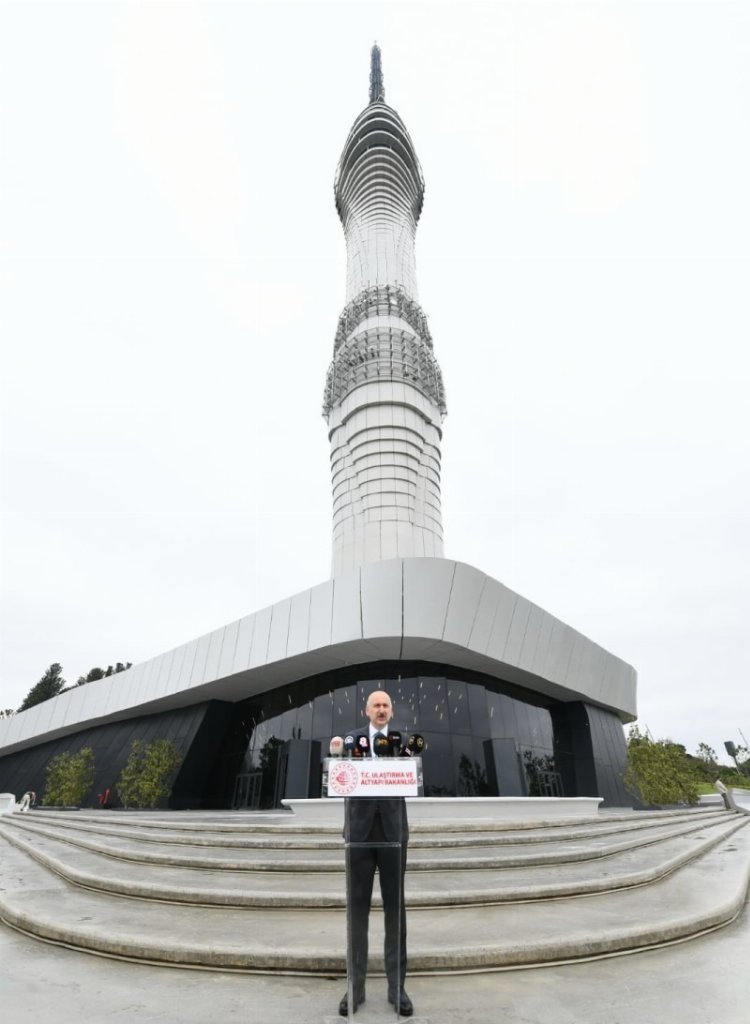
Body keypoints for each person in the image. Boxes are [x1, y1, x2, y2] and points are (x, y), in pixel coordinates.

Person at [339, 690, 413, 1018]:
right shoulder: (351, 741)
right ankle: (355, 988)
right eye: (376, 705)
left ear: (391, 712)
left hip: (394, 834)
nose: (381, 710)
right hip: (359, 835)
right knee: (357, 913)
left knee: (395, 912)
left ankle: (397, 988)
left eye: (386, 706)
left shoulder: (404, 743)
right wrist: (336, 757)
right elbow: (337, 777)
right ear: (366, 711)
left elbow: (413, 779)